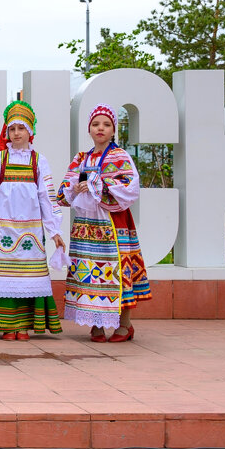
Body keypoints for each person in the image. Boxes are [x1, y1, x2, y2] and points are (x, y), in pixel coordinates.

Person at [56, 104, 151, 342]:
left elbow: (130, 187)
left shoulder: (120, 157)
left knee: (118, 272)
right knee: (90, 272)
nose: (100, 128)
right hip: (87, 226)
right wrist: (75, 188)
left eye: (106, 124)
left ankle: (124, 325)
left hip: (113, 223)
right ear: (89, 129)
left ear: (113, 130)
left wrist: (97, 186)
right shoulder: (81, 158)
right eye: (96, 124)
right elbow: (62, 192)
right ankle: (96, 325)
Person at [0, 101, 65, 341]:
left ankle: (23, 326)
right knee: (4, 279)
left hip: (31, 231)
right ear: (7, 133)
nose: (16, 134)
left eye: (21, 128)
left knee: (27, 279)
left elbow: (47, 197)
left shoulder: (38, 161)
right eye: (12, 129)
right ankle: (7, 325)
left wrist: (54, 230)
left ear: (30, 131)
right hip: (2, 230)